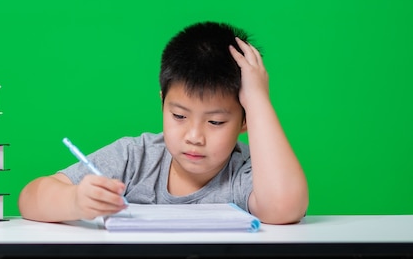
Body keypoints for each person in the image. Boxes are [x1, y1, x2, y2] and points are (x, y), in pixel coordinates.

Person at [18, 21, 308, 225]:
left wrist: (258, 101)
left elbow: (284, 207)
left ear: (246, 121)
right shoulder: (135, 158)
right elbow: (30, 198)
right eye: (179, 116)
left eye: (216, 122)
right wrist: (75, 201)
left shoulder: (247, 173)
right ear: (162, 104)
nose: (194, 136)